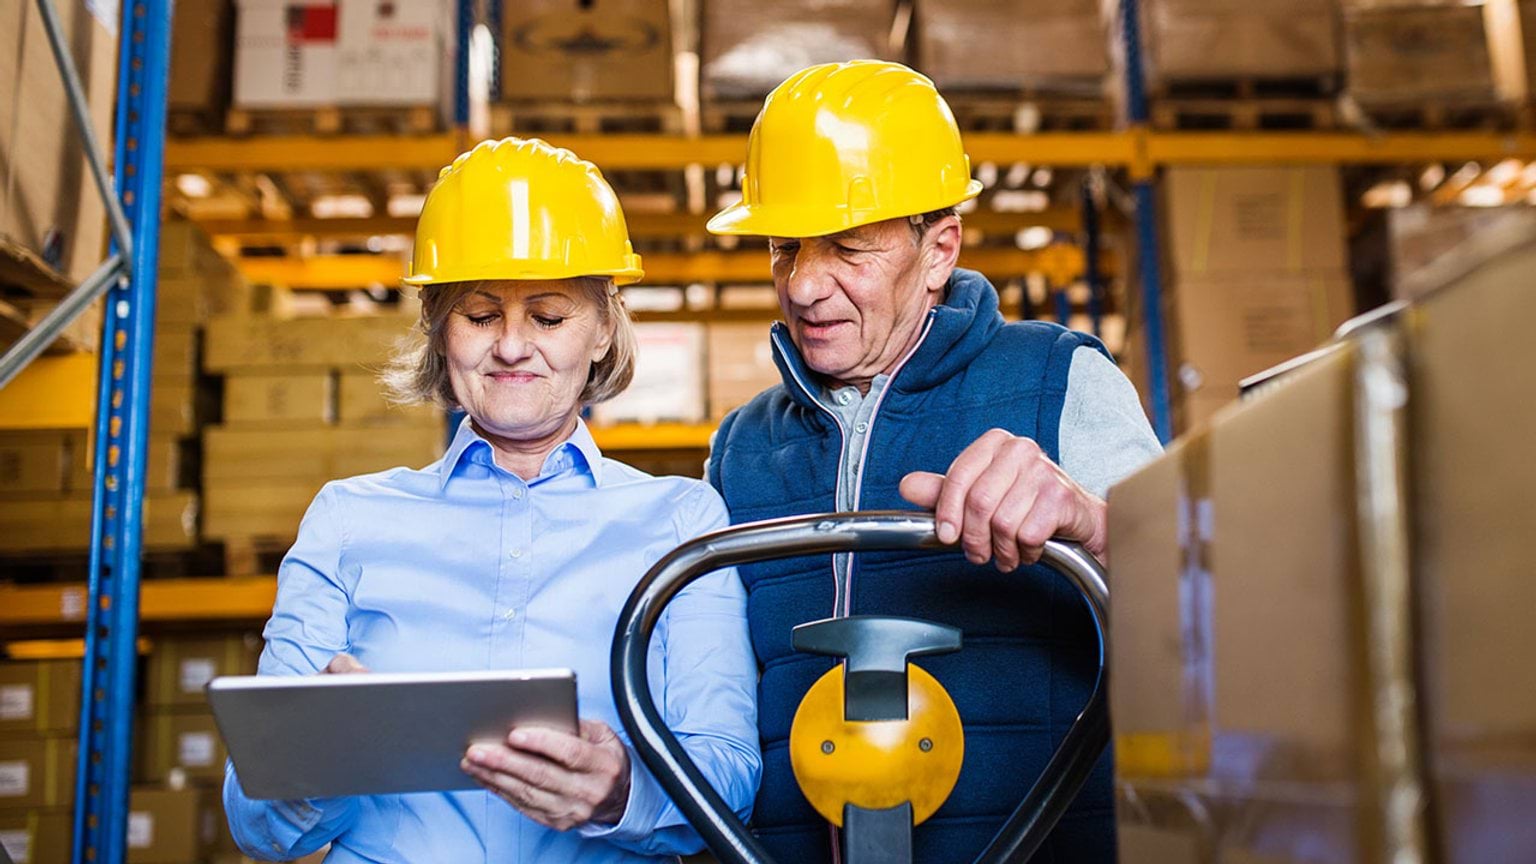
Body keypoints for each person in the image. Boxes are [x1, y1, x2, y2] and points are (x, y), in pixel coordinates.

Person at [223, 137, 760, 863]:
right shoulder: (350, 520)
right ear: (439, 331)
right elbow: (255, 824)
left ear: (603, 329)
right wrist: (317, 756)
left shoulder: (678, 521)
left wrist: (621, 790)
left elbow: (730, 779)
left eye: (547, 317)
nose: (511, 347)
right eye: (479, 316)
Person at [704, 61, 1163, 862]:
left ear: (939, 248)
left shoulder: (1058, 382)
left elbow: (1212, 619)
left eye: (848, 247)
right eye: (784, 247)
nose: (805, 285)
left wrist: (1092, 524)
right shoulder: (742, 447)